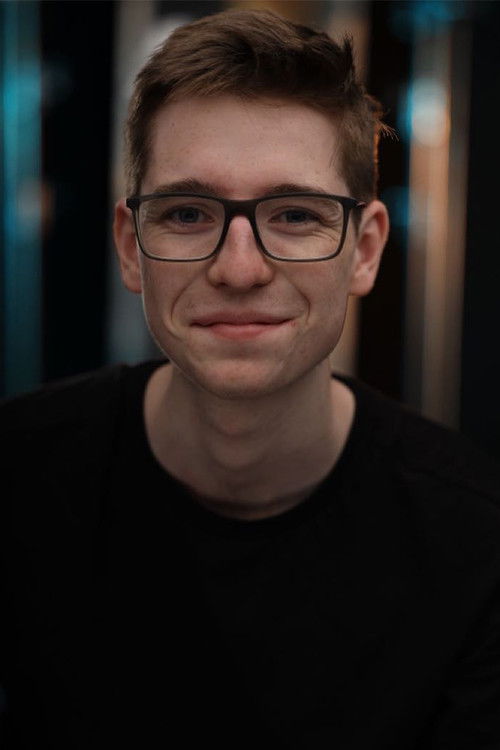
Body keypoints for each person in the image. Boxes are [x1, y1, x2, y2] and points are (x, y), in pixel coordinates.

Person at [1, 8, 500, 749]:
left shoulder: (477, 545)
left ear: (364, 251)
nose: (240, 269)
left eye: (295, 215)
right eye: (188, 214)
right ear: (132, 248)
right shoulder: (17, 481)